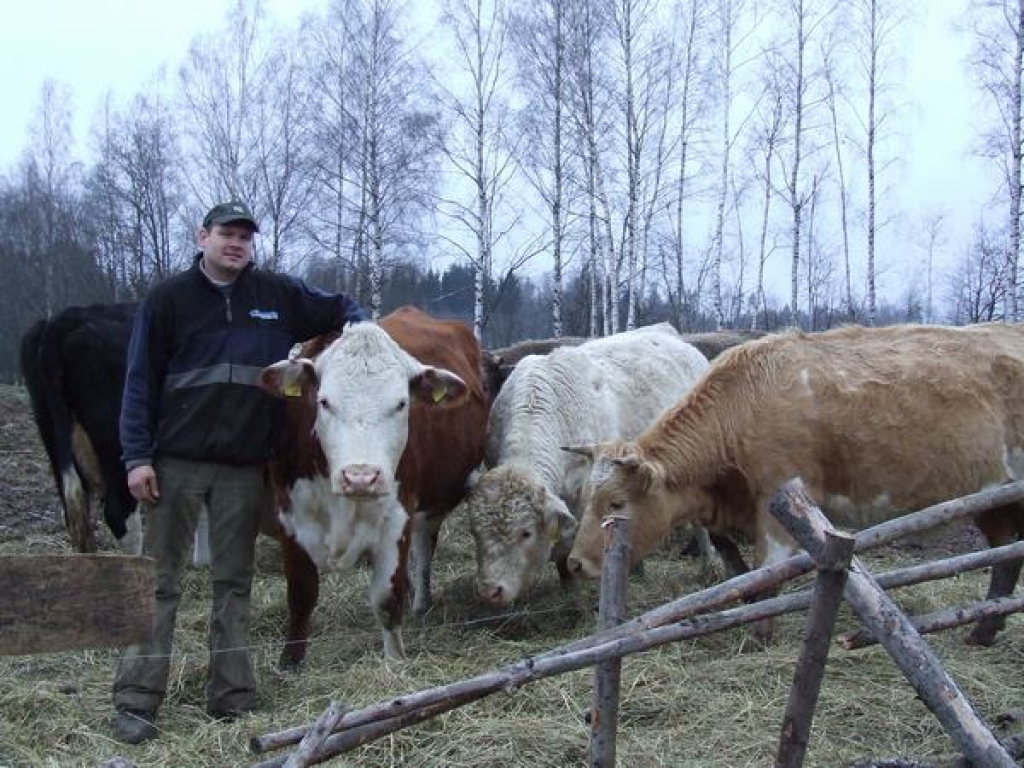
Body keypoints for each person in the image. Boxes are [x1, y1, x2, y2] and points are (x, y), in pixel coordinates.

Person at [113, 200, 365, 744]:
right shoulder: (168, 300)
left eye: (245, 237)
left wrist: (367, 336)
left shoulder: (276, 295)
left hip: (244, 468)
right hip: (175, 463)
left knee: (234, 582)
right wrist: (137, 458)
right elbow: (138, 383)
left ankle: (231, 696)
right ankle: (137, 700)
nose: (236, 244)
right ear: (202, 237)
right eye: (226, 234)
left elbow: (344, 307)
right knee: (158, 582)